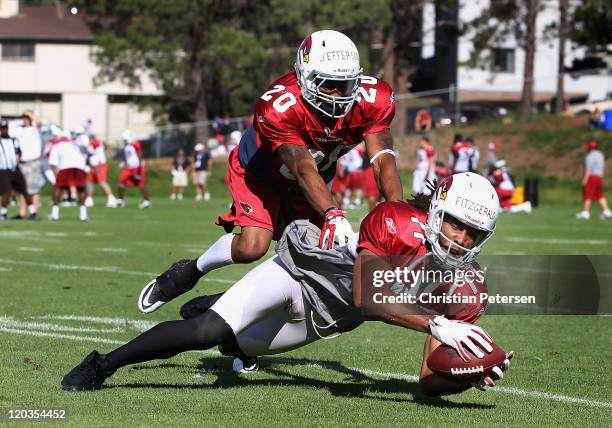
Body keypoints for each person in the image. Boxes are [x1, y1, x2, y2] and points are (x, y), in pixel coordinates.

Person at [62, 173, 513, 395]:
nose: (461, 240)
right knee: (207, 333)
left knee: (237, 347)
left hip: (325, 318)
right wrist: (436, 325)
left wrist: (467, 372)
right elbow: (367, 292)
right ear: (436, 213)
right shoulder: (393, 221)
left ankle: (224, 305)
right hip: (302, 273)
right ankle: (103, 365)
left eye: (474, 234)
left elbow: (427, 384)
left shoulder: (467, 285)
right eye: (455, 225)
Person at [137, 29, 403, 314]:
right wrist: (333, 213)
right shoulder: (279, 106)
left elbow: (383, 160)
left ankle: (225, 308)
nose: (337, 96)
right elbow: (301, 166)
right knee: (252, 247)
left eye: (345, 85)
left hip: (314, 177)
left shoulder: (373, 99)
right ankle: (190, 272)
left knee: (315, 258)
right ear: (304, 77)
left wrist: (397, 216)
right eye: (327, 85)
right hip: (261, 171)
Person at [47, 131, 89, 221]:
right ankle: (83, 214)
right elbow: (83, 159)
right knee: (81, 189)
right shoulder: (74, 145)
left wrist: (56, 179)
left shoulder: (56, 146)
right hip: (80, 167)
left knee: (58, 188)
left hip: (65, 166)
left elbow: (53, 163)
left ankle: (55, 214)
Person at [0, 119, 33, 220]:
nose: (4, 130)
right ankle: (3, 213)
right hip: (3, 169)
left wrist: (18, 161)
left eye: (5, 128)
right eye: (2, 128)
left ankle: (33, 212)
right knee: (7, 191)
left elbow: (19, 152)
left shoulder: (13, 140)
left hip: (15, 168)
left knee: (24, 190)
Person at [14, 111, 42, 220]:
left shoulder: (35, 129)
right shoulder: (19, 129)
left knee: (33, 188)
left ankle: (34, 212)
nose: (25, 120)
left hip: (33, 162)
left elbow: (39, 121)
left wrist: (28, 113)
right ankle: (22, 213)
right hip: (22, 162)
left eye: (27, 118)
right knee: (22, 188)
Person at [576, 140, 611, 220]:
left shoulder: (590, 156)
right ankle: (607, 212)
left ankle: (585, 213)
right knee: (599, 195)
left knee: (587, 194)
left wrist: (585, 179)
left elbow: (589, 169)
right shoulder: (600, 155)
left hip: (592, 177)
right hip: (599, 177)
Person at [116, 130, 151, 209]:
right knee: (121, 181)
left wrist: (139, 169)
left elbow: (139, 156)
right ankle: (121, 200)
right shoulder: (126, 146)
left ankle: (147, 201)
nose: (124, 140)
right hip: (128, 168)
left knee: (142, 185)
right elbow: (127, 156)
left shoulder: (135, 144)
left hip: (137, 167)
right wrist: (123, 161)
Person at [85, 135, 117, 208]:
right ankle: (89, 199)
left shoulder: (95, 143)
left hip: (99, 165)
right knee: (89, 182)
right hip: (92, 165)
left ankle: (111, 198)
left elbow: (98, 154)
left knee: (102, 181)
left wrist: (97, 165)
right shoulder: (92, 144)